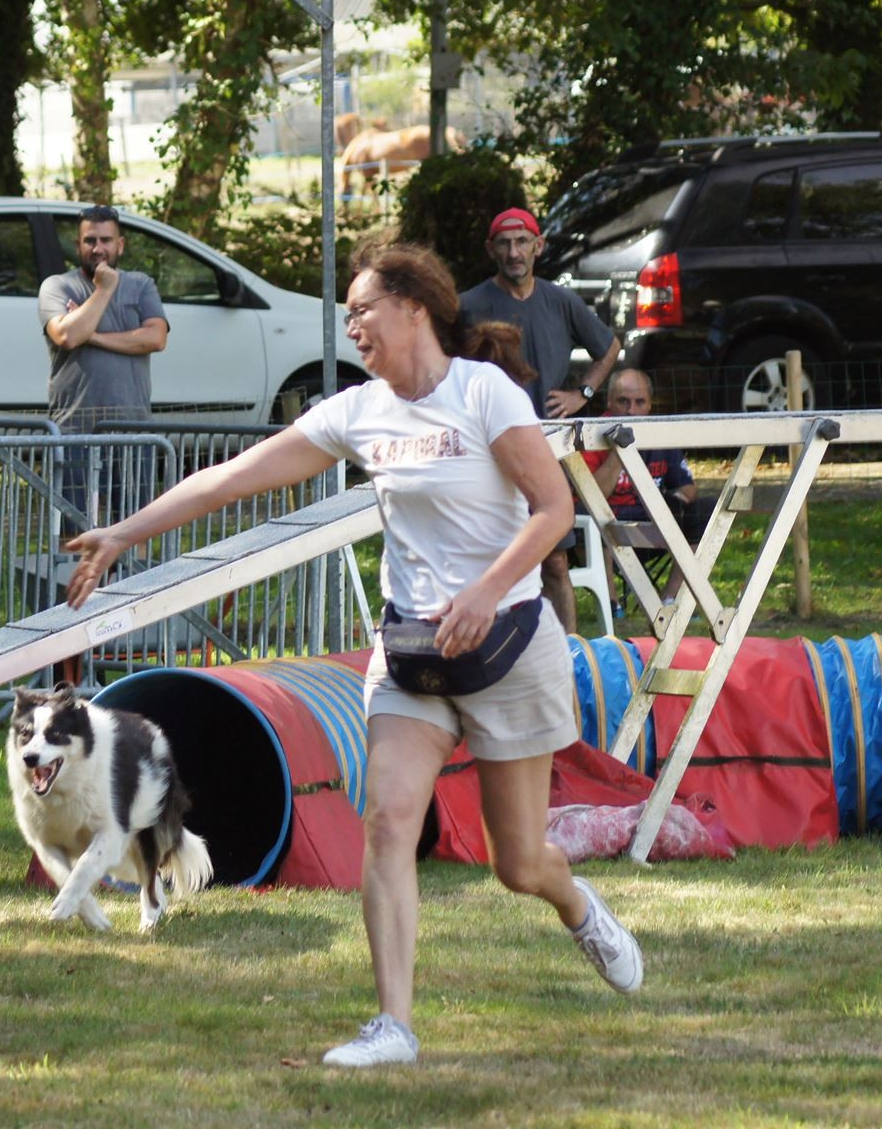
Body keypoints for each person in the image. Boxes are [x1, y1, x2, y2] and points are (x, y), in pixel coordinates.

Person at [62, 242, 644, 1067]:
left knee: (518, 862)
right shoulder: (359, 410)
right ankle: (394, 1027)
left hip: (507, 643)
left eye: (363, 309)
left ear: (414, 308)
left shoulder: (485, 393)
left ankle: (578, 905)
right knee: (386, 823)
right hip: (410, 651)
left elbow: (552, 511)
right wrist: (125, 533)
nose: (353, 326)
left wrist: (484, 592)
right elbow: (232, 478)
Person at [460, 207, 621, 634]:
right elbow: (440, 369)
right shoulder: (468, 307)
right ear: (490, 250)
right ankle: (489, 656)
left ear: (539, 246)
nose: (514, 252)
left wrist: (582, 394)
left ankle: (567, 659)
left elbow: (609, 346)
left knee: (554, 561)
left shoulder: (561, 301)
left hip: (546, 454)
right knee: (487, 561)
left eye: (521, 242)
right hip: (486, 454)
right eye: (504, 243)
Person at [39, 204, 169, 529]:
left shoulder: (141, 285)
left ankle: (132, 582)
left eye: (106, 240)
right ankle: (75, 582)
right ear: (78, 244)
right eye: (90, 240)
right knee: (73, 535)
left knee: (133, 530)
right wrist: (104, 290)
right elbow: (67, 335)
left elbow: (155, 338)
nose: (98, 248)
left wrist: (92, 334)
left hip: (133, 428)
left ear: (120, 244)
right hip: (73, 429)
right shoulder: (57, 287)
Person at [581, 368, 709, 601]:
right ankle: (611, 605)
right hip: (605, 519)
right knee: (593, 516)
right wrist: (620, 450)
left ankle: (671, 601)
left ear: (650, 404)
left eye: (640, 402)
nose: (631, 411)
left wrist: (672, 503)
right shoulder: (591, 435)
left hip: (651, 519)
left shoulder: (659, 434)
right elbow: (592, 496)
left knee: (703, 511)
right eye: (623, 402)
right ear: (609, 401)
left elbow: (688, 487)